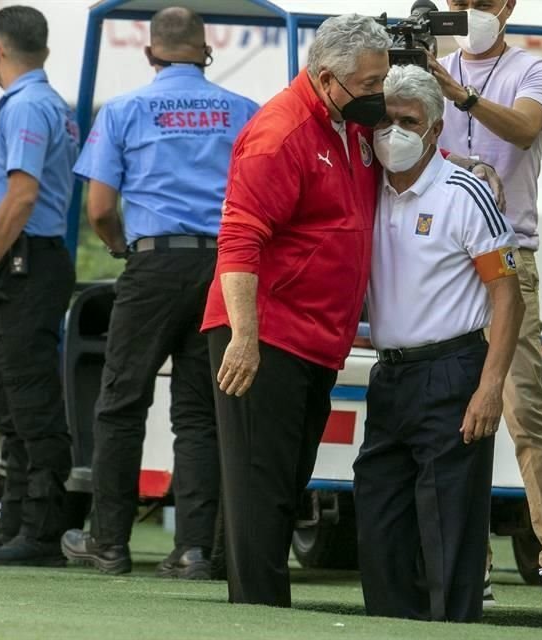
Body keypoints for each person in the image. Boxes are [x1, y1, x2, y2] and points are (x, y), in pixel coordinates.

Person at [60, 7, 258, 578]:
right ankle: (194, 549)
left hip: (151, 267)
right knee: (198, 414)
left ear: (151, 55)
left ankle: (110, 543)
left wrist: (123, 246)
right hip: (224, 270)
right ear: (206, 51)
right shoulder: (244, 112)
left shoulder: (124, 110)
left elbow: (99, 208)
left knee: (121, 405)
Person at [201, 14, 390, 607]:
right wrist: (245, 335)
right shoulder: (280, 131)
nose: (378, 94)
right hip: (268, 332)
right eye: (369, 84)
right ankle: (259, 608)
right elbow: (238, 237)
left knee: (284, 480)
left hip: (314, 337)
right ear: (328, 77)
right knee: (264, 483)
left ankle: (258, 597)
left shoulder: (347, 126)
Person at [427, 0, 542, 610]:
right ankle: (473, 566)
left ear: (509, 5)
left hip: (509, 256)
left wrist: (456, 94)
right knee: (449, 408)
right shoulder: (430, 66)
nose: (468, 12)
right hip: (439, 259)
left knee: (523, 405)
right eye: (458, 3)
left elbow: (523, 128)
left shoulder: (531, 69)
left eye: (481, 1)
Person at [355, 64, 524, 623]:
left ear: (435, 128)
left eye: (408, 121)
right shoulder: (365, 190)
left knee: (450, 525)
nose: (393, 132)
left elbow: (508, 294)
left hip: (453, 369)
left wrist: (491, 386)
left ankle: (453, 629)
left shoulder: (464, 192)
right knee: (379, 515)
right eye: (386, 120)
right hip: (391, 373)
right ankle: (390, 625)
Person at [0, 5, 78, 566]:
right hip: (35, 259)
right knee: (13, 402)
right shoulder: (49, 101)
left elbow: (22, 195)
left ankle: (42, 530)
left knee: (29, 402)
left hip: (22, 261)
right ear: (44, 49)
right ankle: (15, 527)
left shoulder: (26, 105)